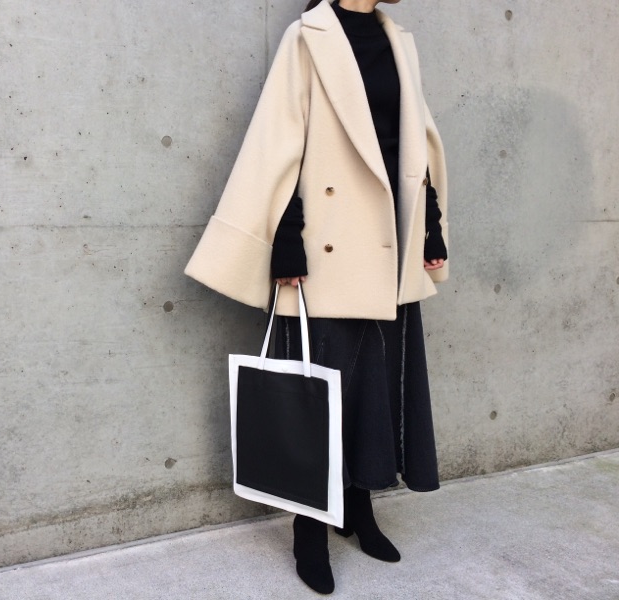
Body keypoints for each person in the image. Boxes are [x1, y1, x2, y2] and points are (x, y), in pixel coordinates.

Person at [185, 0, 449, 594]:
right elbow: (278, 141)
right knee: (322, 392)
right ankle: (309, 529)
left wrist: (430, 225)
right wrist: (284, 238)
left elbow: (417, 145)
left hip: (391, 240)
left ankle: (358, 510)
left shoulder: (398, 41)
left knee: (376, 386)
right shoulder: (307, 38)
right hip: (327, 244)